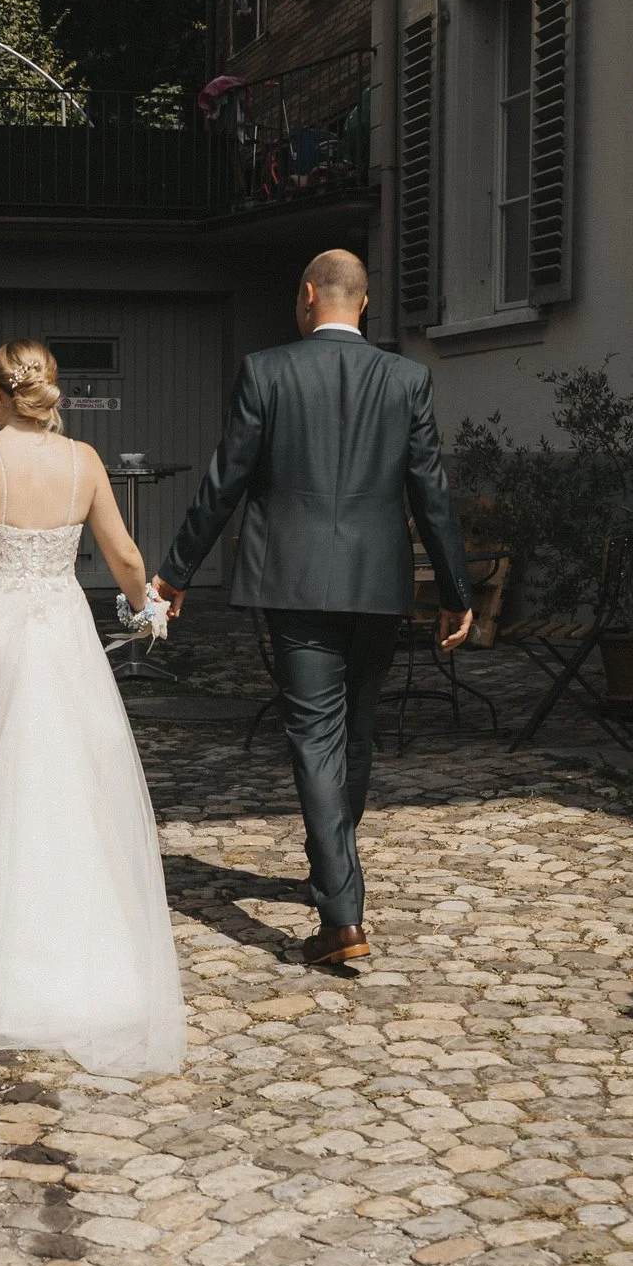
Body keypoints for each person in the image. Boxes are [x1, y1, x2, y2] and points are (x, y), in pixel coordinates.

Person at [155, 250, 471, 968]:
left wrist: (176, 571)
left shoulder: (267, 371)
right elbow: (433, 495)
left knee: (317, 739)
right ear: (363, 304)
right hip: (378, 584)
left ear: (306, 296)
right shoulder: (407, 378)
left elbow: (224, 480)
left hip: (294, 583)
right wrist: (456, 592)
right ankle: (336, 877)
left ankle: (341, 914)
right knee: (354, 733)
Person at [0, 339, 184, 1076]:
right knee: (68, 782)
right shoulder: (84, 461)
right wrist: (148, 605)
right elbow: (127, 557)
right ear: (50, 390)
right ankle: (84, 951)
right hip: (63, 627)